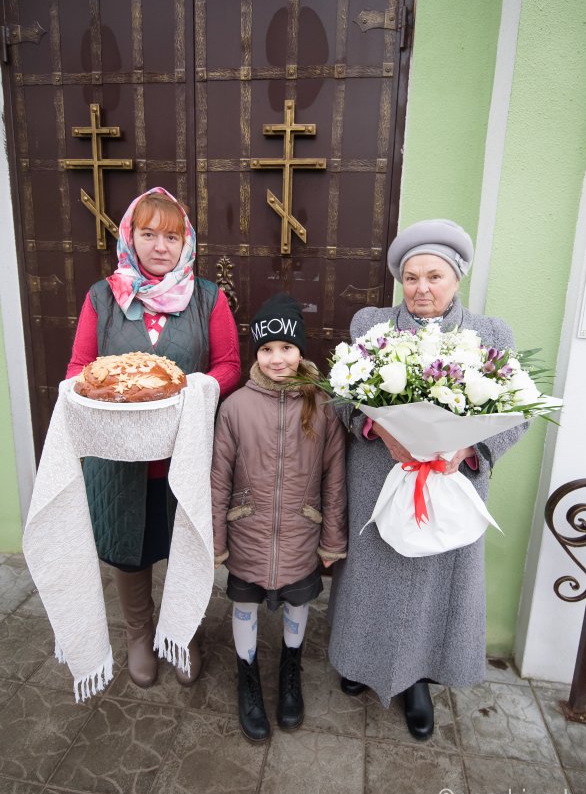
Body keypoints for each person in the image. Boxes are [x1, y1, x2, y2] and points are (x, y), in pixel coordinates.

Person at [327, 219, 527, 740]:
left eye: (434, 277)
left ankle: (418, 679)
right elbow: (340, 394)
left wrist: (471, 447)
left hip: (450, 483)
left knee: (430, 584)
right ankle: (357, 659)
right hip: (379, 478)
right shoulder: (371, 325)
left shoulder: (490, 334)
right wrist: (376, 427)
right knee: (372, 575)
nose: (421, 288)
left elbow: (518, 412)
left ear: (457, 278)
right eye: (411, 277)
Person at [66, 187, 240, 688]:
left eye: (172, 236)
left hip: (184, 454)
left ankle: (182, 633)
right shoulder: (103, 297)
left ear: (186, 242)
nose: (160, 246)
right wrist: (116, 392)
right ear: (130, 237)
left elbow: (229, 365)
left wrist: (189, 389)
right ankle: (139, 634)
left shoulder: (208, 298)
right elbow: (79, 368)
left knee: (185, 546)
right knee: (129, 549)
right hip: (119, 458)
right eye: (148, 235)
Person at [211, 293, 347, 742]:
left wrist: (332, 539)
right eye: (266, 349)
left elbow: (334, 478)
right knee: (244, 603)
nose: (277, 358)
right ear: (256, 353)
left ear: (300, 350)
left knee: (298, 602)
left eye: (286, 347)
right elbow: (218, 478)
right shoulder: (235, 407)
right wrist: (216, 539)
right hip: (247, 531)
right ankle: (247, 675)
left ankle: (291, 670)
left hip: (301, 533)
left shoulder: (322, 406)